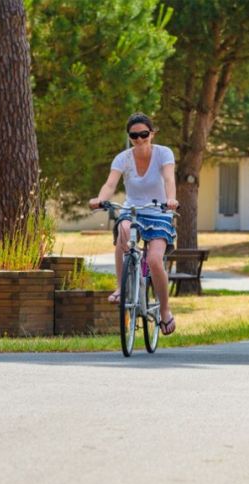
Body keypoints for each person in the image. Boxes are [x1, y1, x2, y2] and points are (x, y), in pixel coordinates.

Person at [89, 112, 179, 335]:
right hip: (133, 209)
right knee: (123, 230)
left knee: (155, 260)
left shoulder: (163, 154)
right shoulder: (123, 158)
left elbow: (169, 179)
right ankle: (121, 287)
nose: (139, 140)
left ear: (152, 133)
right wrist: (101, 199)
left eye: (144, 135)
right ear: (129, 137)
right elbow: (110, 184)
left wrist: (171, 199)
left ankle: (165, 311)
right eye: (134, 136)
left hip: (159, 211)